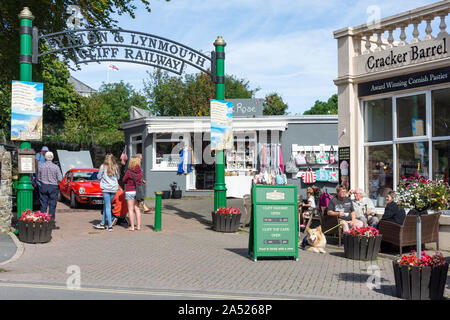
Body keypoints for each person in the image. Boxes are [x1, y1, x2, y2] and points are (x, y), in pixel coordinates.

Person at [93, 154, 120, 231]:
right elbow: (118, 177)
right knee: (106, 205)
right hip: (114, 188)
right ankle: (102, 223)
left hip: (105, 188)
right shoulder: (116, 167)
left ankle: (110, 225)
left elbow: (98, 177)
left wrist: (102, 176)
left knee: (107, 206)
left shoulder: (103, 166)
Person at [37, 151, 62, 229]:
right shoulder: (56, 167)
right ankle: (51, 223)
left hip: (44, 186)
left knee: (43, 205)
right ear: (52, 157)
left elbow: (38, 178)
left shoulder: (41, 166)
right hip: (53, 187)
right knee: (52, 206)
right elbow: (60, 178)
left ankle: (42, 222)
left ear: (45, 157)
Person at [122, 156, 143, 231]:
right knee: (137, 209)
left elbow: (123, 180)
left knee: (130, 209)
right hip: (137, 192)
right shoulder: (140, 171)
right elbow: (140, 180)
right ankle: (138, 226)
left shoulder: (129, 171)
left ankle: (132, 227)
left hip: (130, 191)